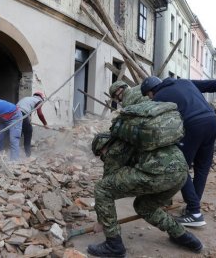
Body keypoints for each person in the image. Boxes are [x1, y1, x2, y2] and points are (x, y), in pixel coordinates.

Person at [87, 107, 203, 257]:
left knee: (102, 189)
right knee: (144, 207)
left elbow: (107, 186)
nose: (102, 157)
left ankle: (113, 245)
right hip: (181, 173)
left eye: (100, 154)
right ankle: (184, 237)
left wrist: (101, 221)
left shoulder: (114, 149)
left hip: (158, 174)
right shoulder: (133, 140)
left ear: (102, 147)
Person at [141, 76, 216, 227]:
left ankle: (194, 212)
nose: (149, 98)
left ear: (151, 91)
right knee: (202, 168)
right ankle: (192, 208)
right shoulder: (185, 82)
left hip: (192, 125)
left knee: (180, 167)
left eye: (148, 95)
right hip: (211, 122)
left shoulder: (159, 98)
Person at [17, 92, 48, 157]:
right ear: (41, 97)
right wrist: (45, 124)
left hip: (14, 113)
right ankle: (28, 155)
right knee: (29, 131)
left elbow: (27, 109)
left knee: (17, 132)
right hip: (22, 114)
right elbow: (40, 114)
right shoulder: (39, 101)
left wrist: (29, 119)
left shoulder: (28, 98)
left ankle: (13, 152)